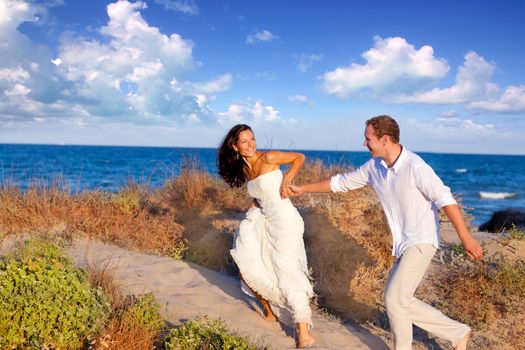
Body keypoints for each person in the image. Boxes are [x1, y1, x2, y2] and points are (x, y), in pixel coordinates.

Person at [288, 115, 483, 350]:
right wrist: (302, 189)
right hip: (403, 243)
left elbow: (446, 199)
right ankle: (458, 332)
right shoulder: (375, 167)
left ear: (385, 139)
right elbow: (342, 183)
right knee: (401, 300)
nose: (364, 144)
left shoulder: (415, 167)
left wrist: (466, 237)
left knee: (394, 299)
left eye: (368, 138)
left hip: (422, 240)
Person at [217, 124, 315, 348]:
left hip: (286, 221)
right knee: (249, 267)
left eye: (252, 138)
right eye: (244, 141)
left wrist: (288, 178)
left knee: (287, 272)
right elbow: (260, 195)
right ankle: (270, 312)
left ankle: (304, 332)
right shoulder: (245, 169)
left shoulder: (269, 157)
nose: (251, 144)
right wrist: (252, 210)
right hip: (265, 220)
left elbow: (299, 157)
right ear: (234, 146)